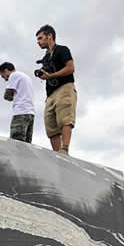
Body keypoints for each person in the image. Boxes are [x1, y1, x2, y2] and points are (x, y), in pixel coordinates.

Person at [35, 24, 77, 154]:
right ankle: (57, 154)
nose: (38, 42)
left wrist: (51, 75)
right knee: (51, 126)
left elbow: (70, 68)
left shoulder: (62, 49)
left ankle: (64, 149)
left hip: (64, 88)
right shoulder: (45, 58)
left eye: (41, 38)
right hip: (50, 94)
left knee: (65, 119)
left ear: (50, 36)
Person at [0, 62, 35, 143]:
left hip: (20, 112)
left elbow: (7, 95)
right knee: (27, 144)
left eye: (3, 76)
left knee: (16, 143)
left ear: (6, 70)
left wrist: (9, 95)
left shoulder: (14, 75)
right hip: (30, 113)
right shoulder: (26, 77)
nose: (5, 79)